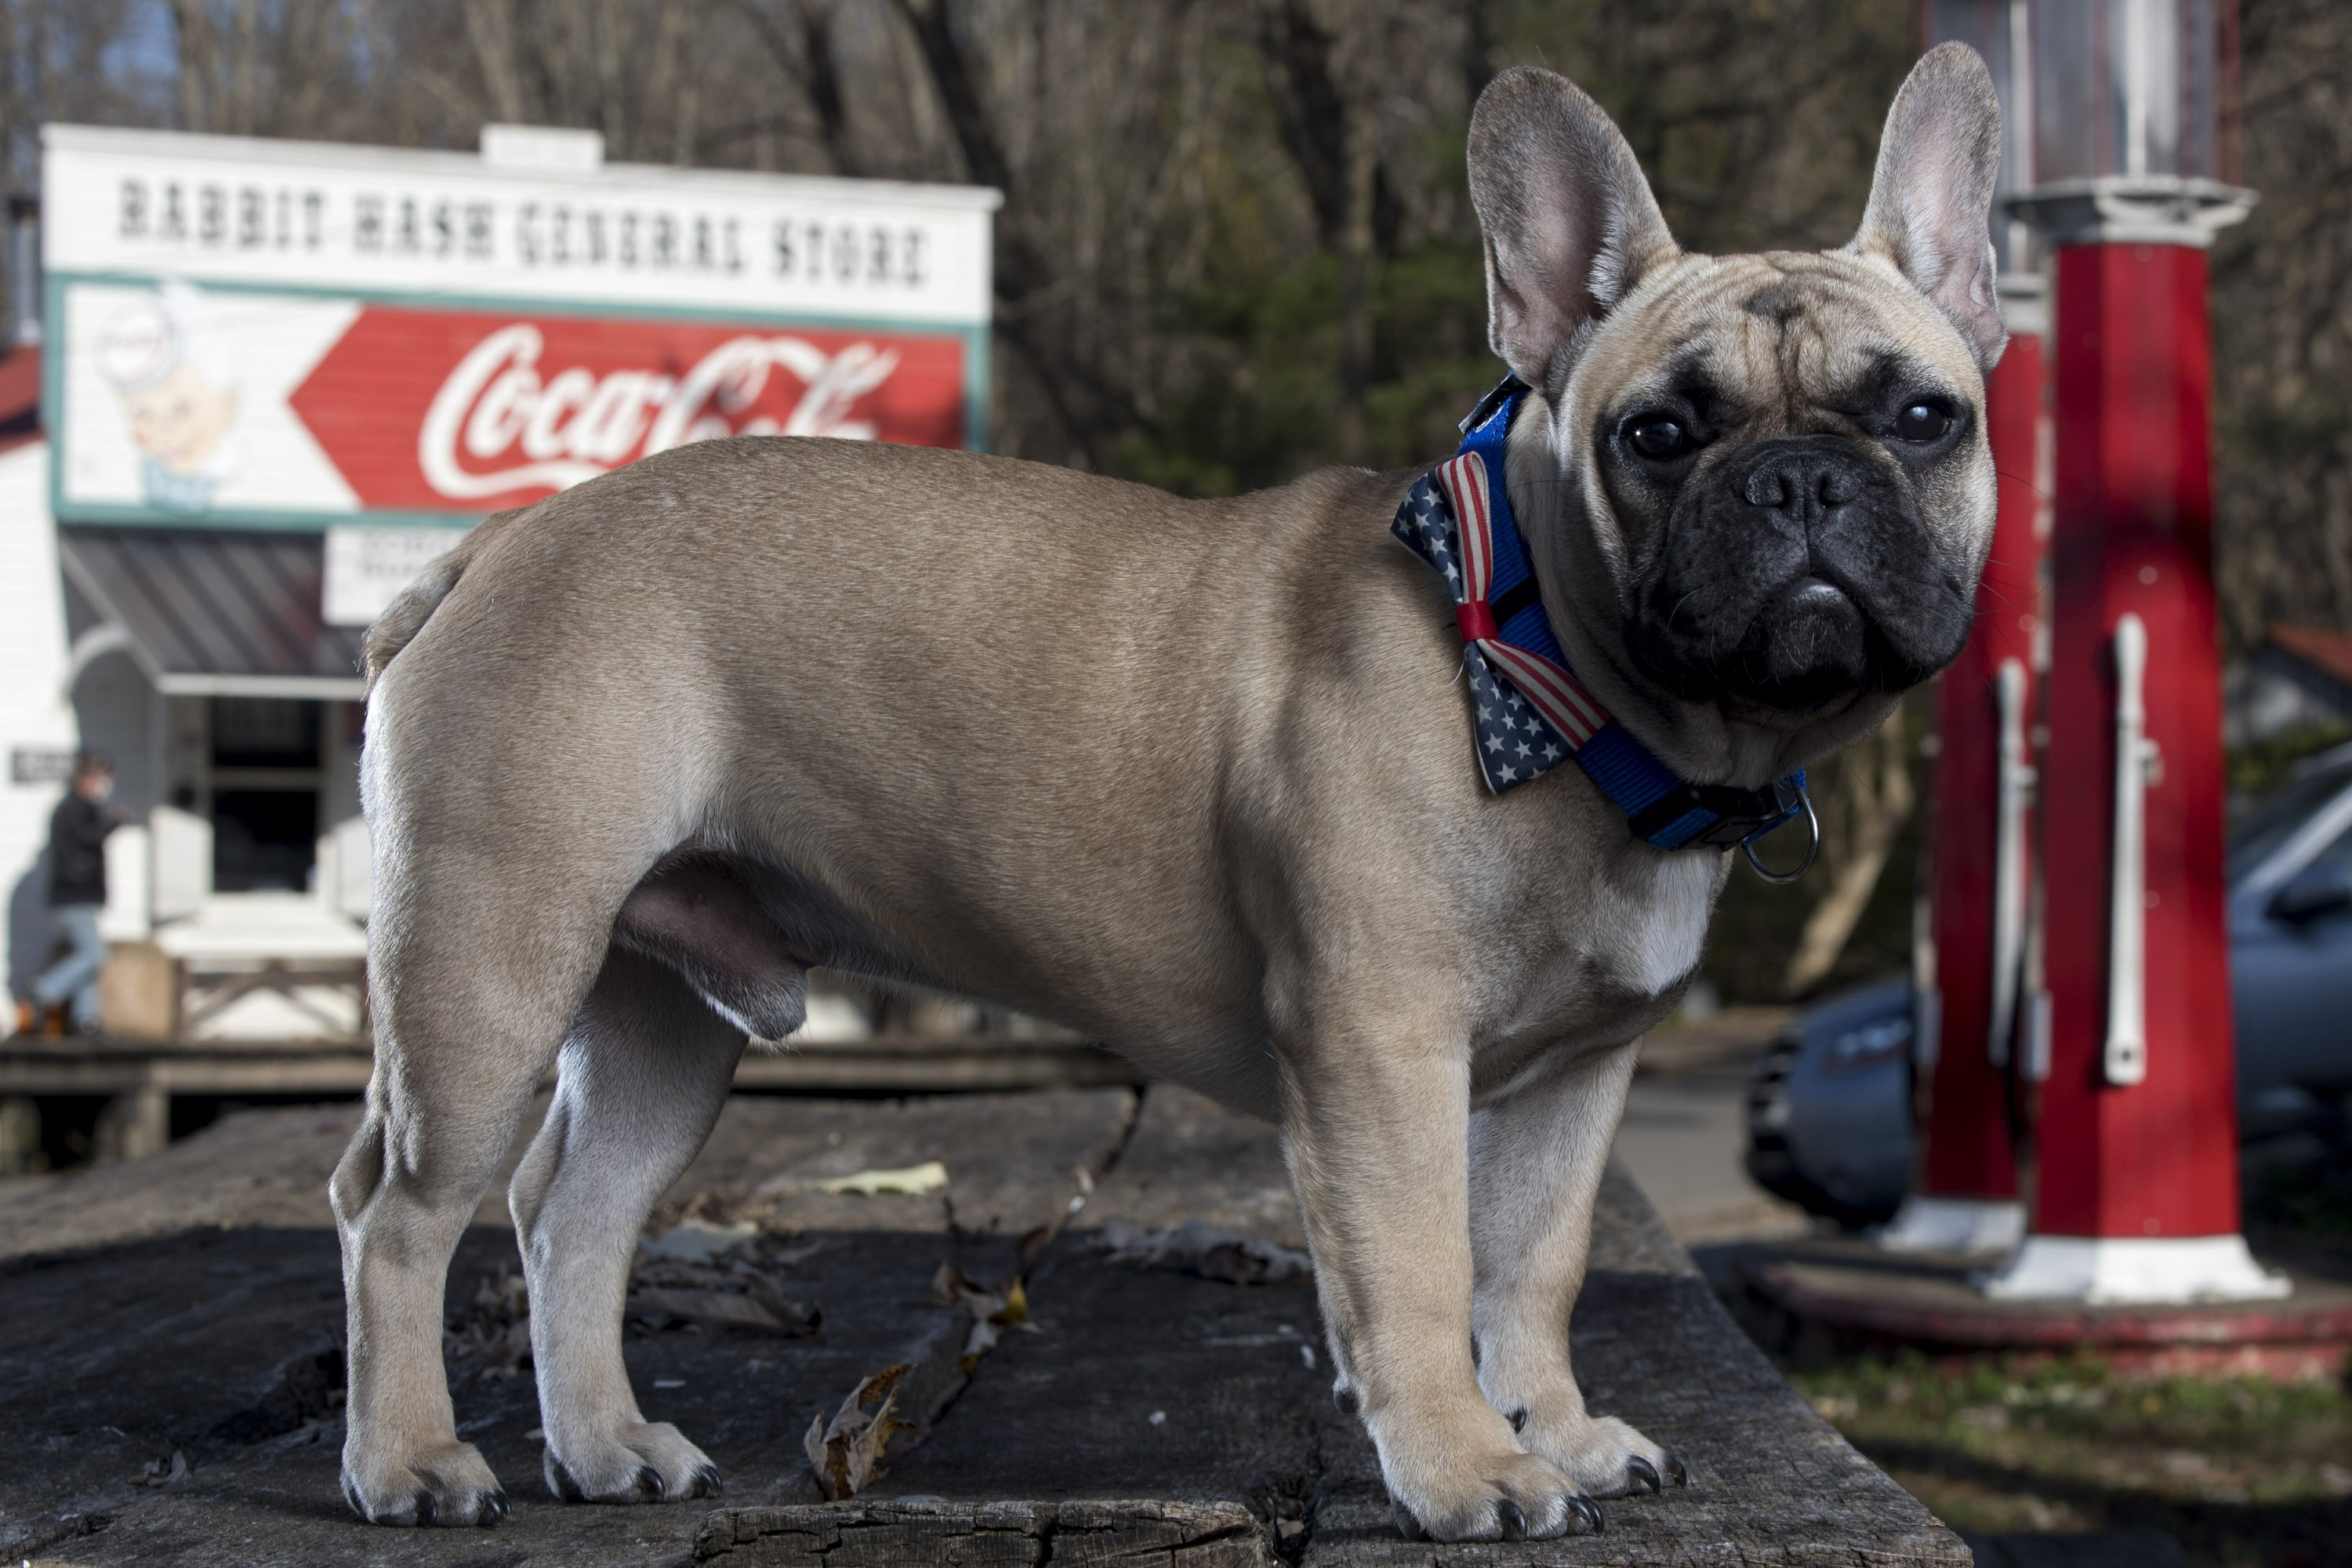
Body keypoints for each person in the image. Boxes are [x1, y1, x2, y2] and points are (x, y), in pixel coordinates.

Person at [23, 752, 126, 1037]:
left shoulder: (83, 808)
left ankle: (86, 1020)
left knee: (89, 959)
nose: (105, 786)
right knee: (95, 955)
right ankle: (44, 992)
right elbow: (87, 839)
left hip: (82, 894)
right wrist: (111, 823)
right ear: (86, 779)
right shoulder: (72, 809)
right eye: (100, 779)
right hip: (73, 895)